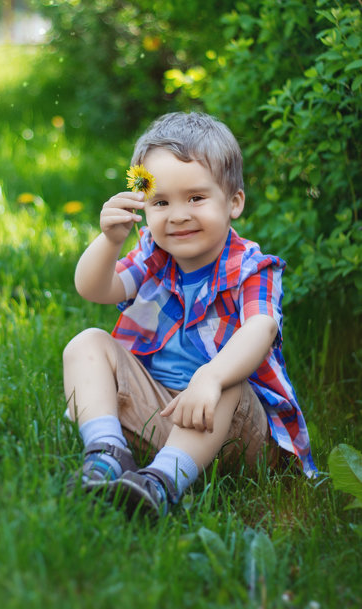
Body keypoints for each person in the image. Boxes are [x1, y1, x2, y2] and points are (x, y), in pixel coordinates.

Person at [63, 111, 315, 518]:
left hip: (233, 433)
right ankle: (108, 453)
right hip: (162, 416)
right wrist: (110, 241)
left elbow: (261, 327)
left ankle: (161, 483)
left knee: (230, 379)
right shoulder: (152, 255)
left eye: (195, 198)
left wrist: (210, 377)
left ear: (233, 202)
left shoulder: (252, 268)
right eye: (160, 202)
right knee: (86, 344)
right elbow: (94, 289)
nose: (177, 215)